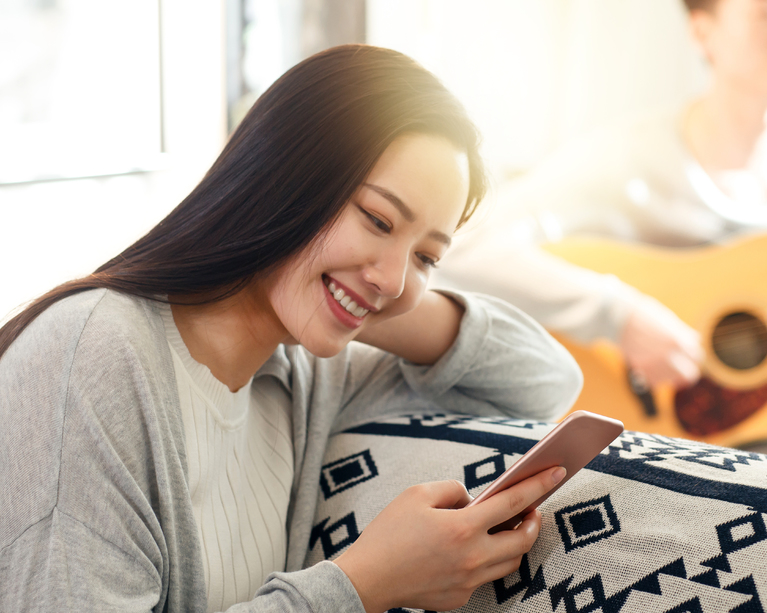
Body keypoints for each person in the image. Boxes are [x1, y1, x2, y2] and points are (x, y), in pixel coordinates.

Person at [0, 45, 583, 613]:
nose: (395, 276)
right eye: (378, 219)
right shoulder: (92, 357)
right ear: (284, 177)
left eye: (427, 256)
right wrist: (363, 585)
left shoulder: (303, 374)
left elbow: (547, 381)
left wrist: (372, 300)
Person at [433, 0, 767, 475]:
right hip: (660, 433)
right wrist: (618, 316)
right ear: (701, 30)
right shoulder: (628, 161)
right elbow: (467, 239)